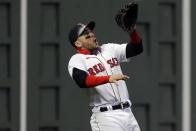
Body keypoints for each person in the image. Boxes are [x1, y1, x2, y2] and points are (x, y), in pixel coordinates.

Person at [67, 21, 143, 131]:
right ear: (78, 43)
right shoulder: (77, 60)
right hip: (106, 117)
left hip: (128, 113)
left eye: (91, 31)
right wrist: (108, 78)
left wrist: (132, 31)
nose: (91, 34)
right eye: (85, 34)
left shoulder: (109, 48)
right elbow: (82, 80)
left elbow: (137, 48)